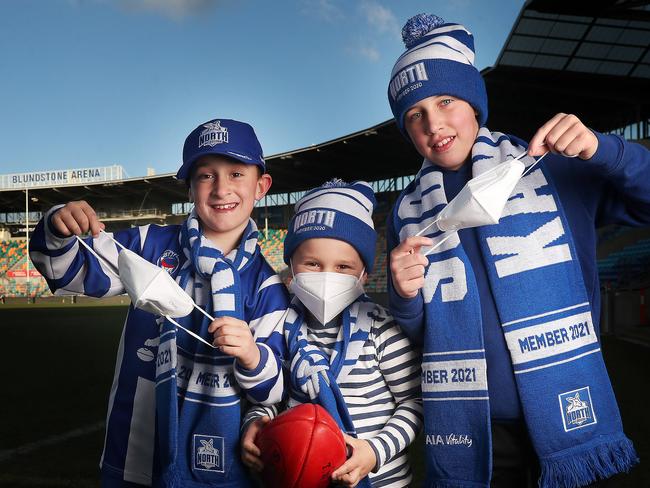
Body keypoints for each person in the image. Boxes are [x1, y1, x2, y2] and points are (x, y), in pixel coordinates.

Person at [385, 13, 650, 488]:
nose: (434, 123)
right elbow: (419, 330)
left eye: (446, 100)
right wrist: (403, 297)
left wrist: (605, 150)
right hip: (477, 427)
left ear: (474, 102)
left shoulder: (554, 166)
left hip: (571, 403)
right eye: (414, 114)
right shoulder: (405, 211)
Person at [29, 118, 289, 487]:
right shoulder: (150, 244)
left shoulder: (268, 285)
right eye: (205, 175)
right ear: (189, 188)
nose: (220, 189)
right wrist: (58, 227)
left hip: (222, 462)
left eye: (235, 174)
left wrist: (251, 355)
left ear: (261, 186)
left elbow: (271, 390)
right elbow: (70, 272)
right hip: (135, 450)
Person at [239, 180, 423, 487]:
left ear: (365, 274)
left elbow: (414, 401)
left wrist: (375, 452)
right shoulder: (279, 327)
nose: (326, 276)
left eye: (343, 267)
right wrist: (255, 422)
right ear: (291, 268)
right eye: (312, 263)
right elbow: (271, 395)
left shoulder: (381, 327)